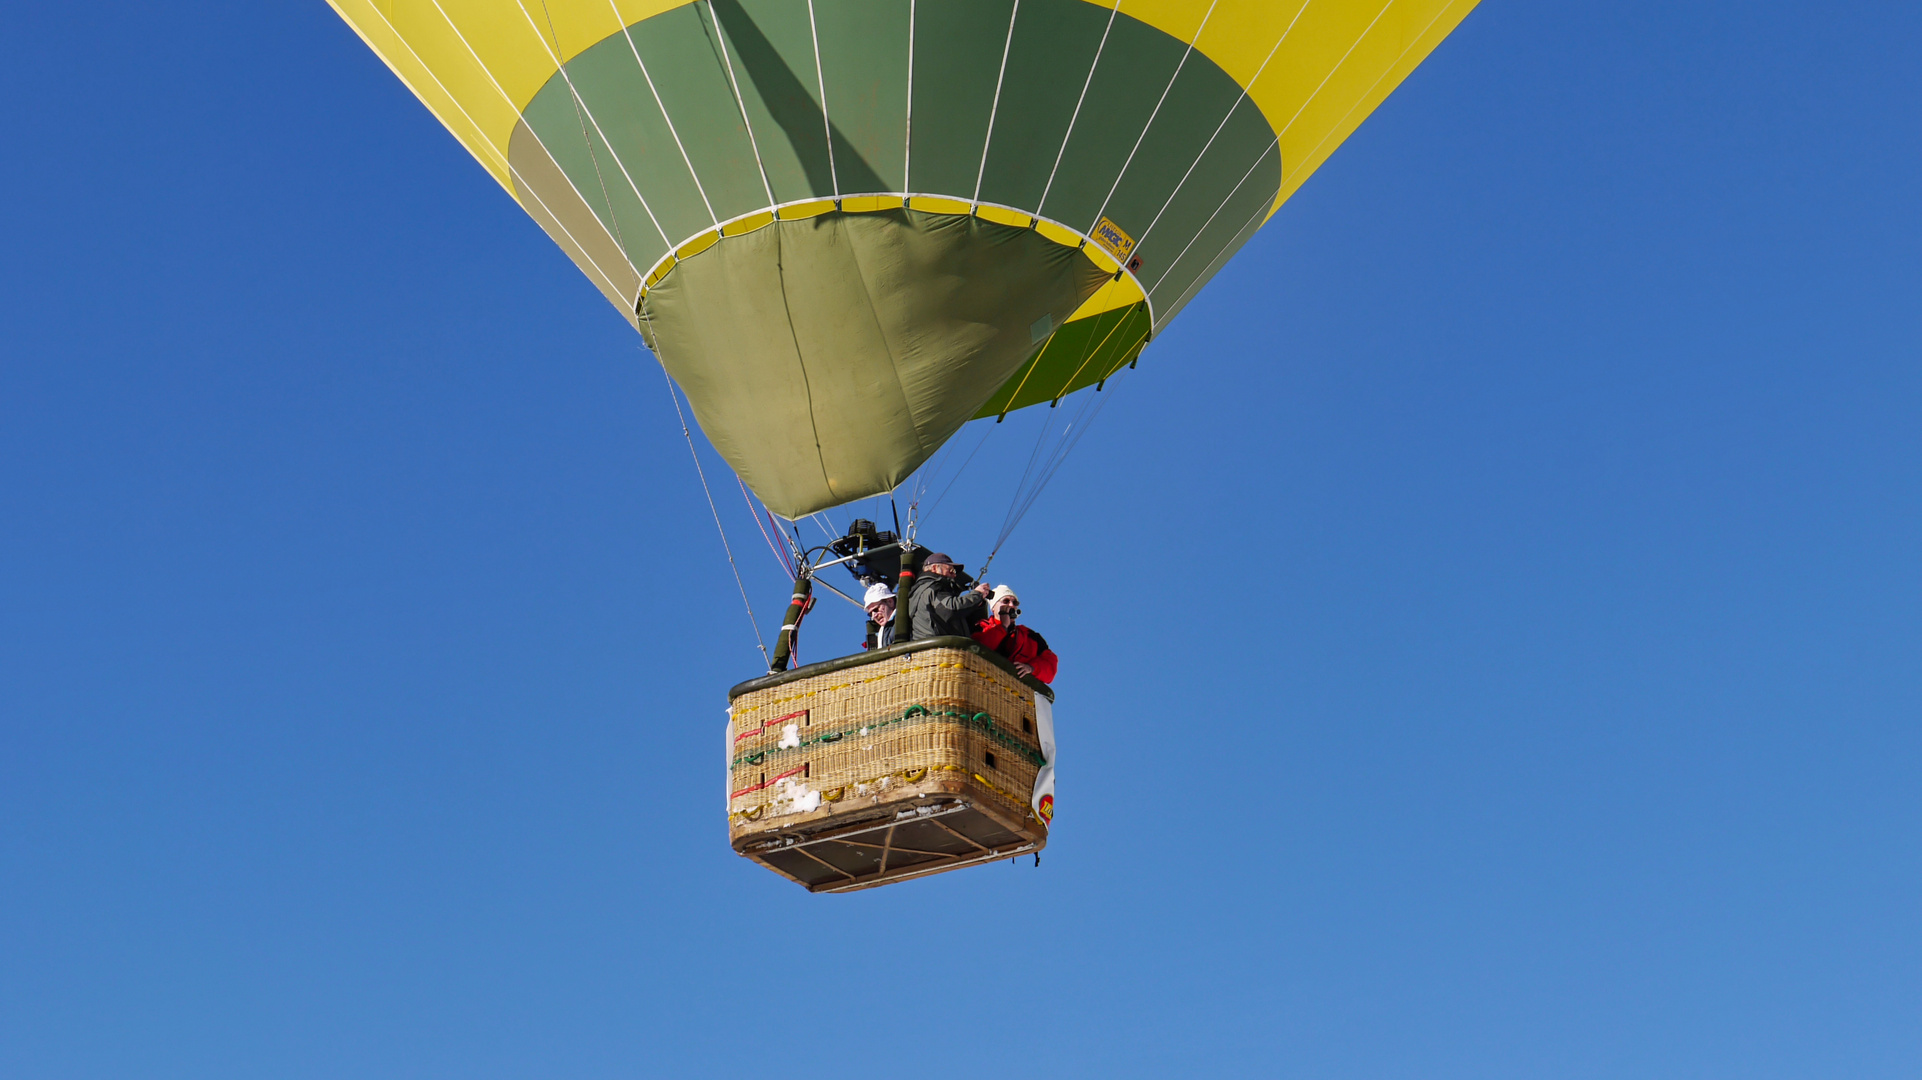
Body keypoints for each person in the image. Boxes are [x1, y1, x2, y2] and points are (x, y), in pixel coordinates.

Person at [971, 584, 1058, 684]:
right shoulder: (981, 626)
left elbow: (1050, 665)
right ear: (994, 608)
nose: (1011, 605)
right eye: (1006, 601)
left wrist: (1031, 668)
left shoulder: (1030, 636)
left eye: (1015, 602)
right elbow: (977, 649)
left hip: (1013, 692)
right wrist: (1003, 627)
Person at [907, 552, 991, 641]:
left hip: (938, 647)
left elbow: (963, 621)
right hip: (937, 648)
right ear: (934, 568)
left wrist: (978, 604)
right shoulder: (931, 588)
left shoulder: (926, 589)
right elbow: (950, 608)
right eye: (951, 570)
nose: (954, 575)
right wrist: (976, 595)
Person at [863, 583, 897, 650]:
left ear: (890, 602)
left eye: (876, 609)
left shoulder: (906, 618)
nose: (874, 616)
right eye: (870, 614)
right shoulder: (881, 632)